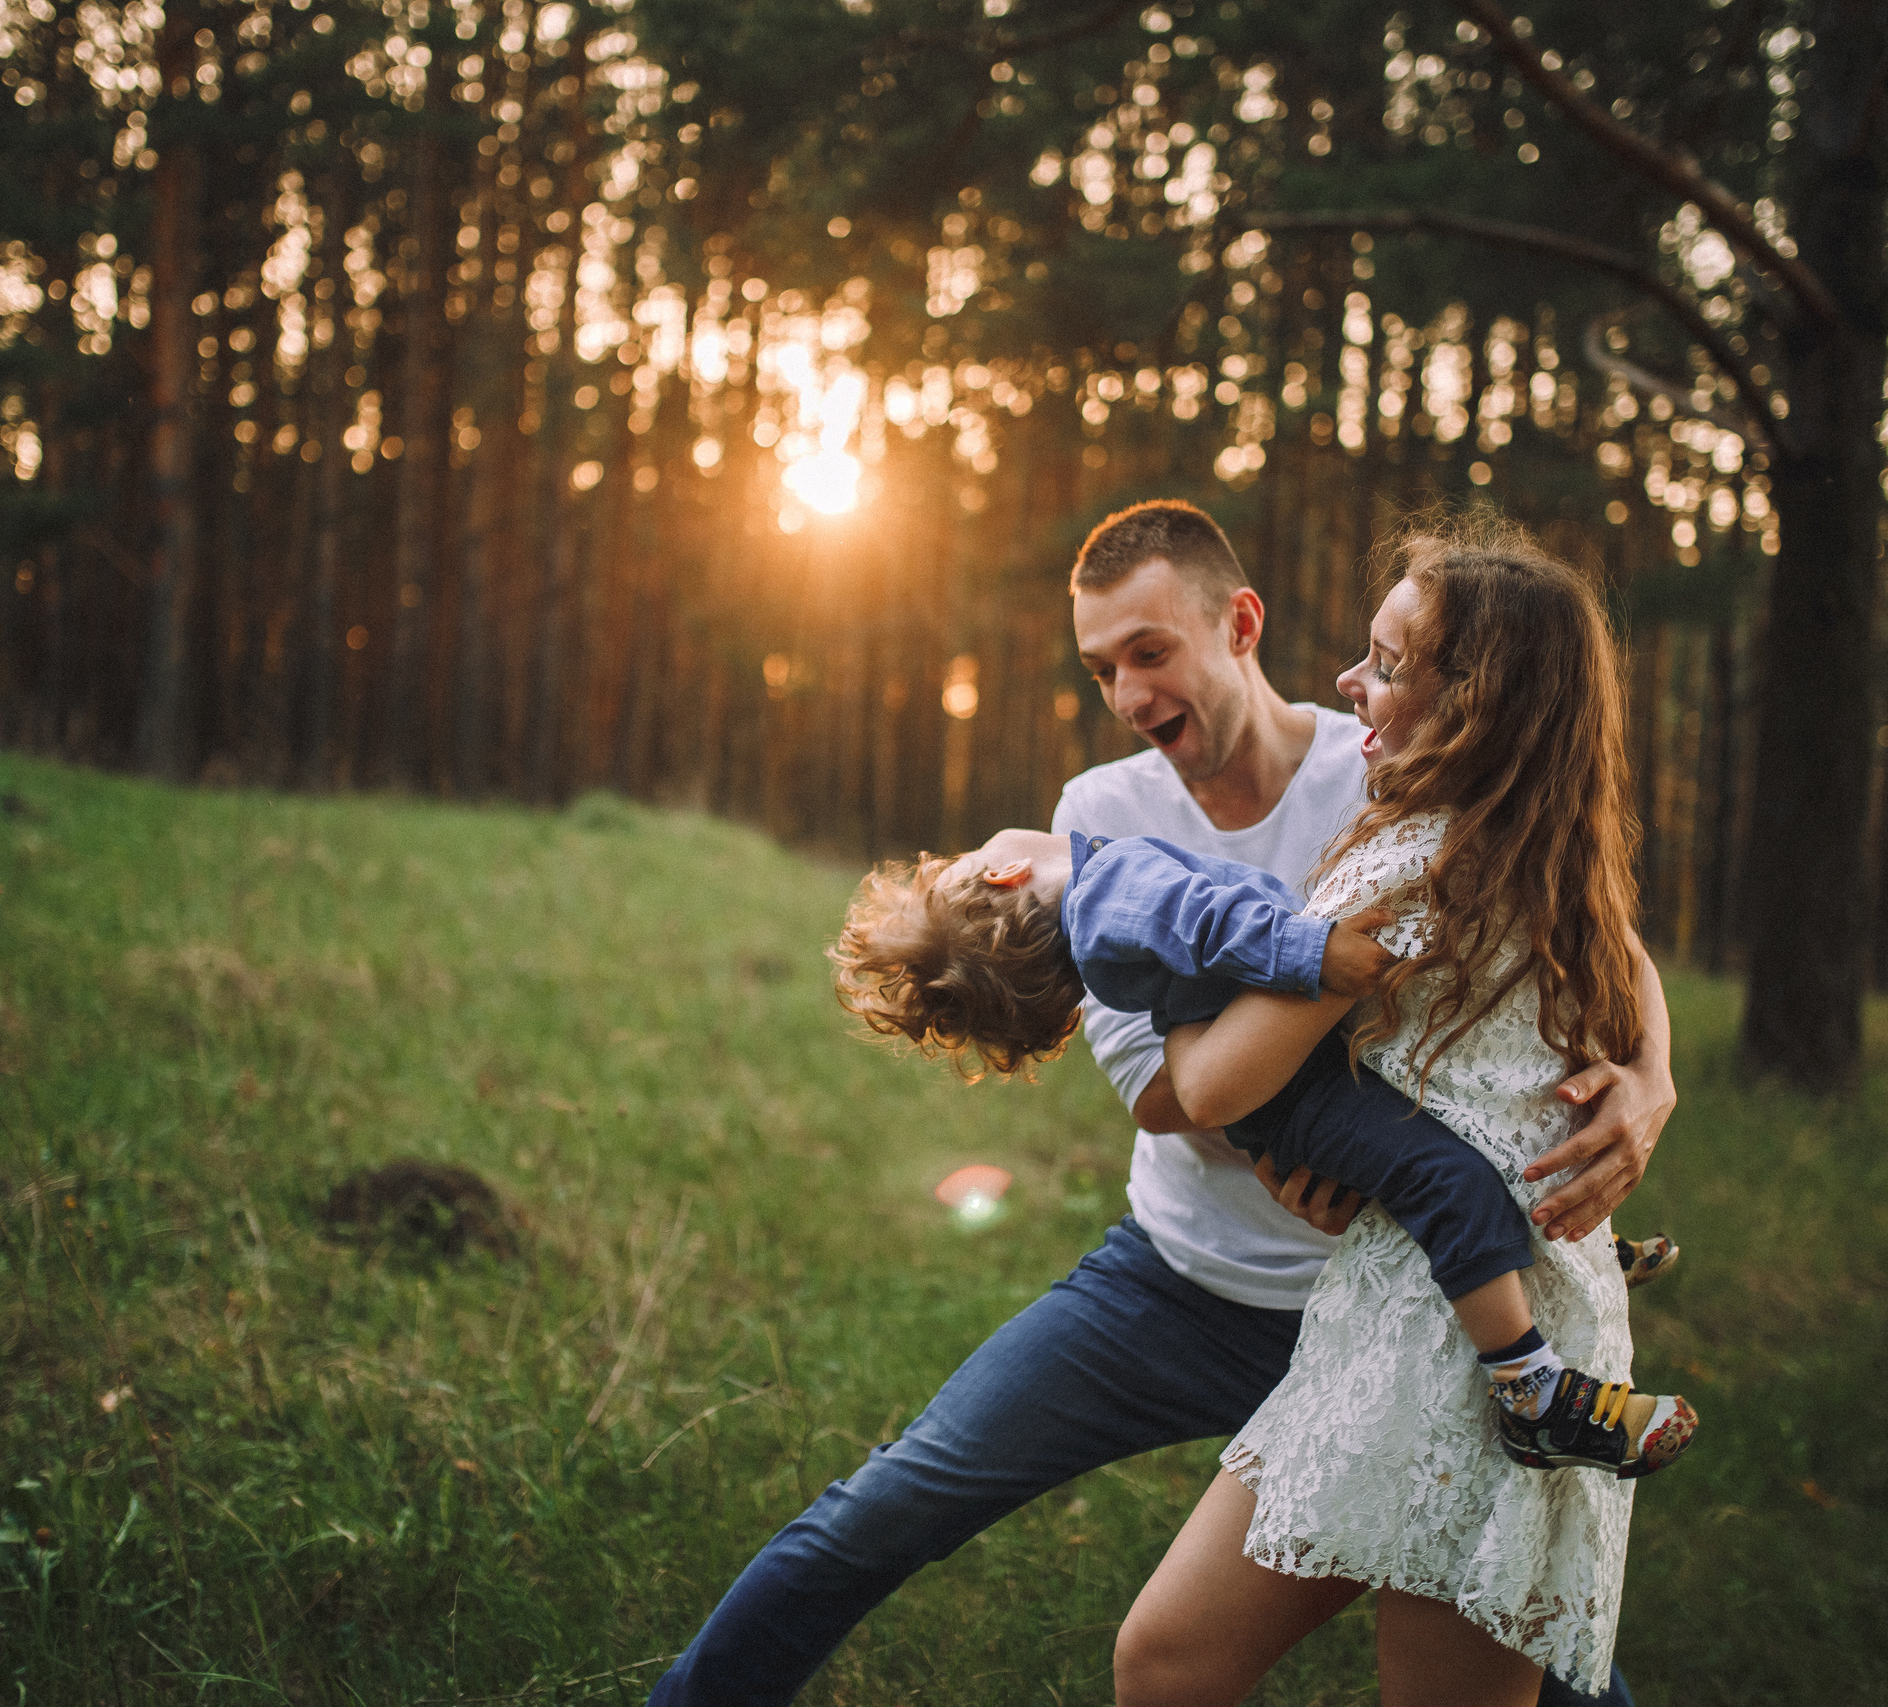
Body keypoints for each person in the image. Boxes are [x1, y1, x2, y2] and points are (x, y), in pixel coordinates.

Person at [642, 501, 1676, 1706]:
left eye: (1148, 652)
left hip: (1406, 1304)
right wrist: (1314, 1136)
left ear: (1238, 624)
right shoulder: (1099, 817)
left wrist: (1649, 1077)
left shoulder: (1387, 757)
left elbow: (1587, 920)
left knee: (1533, 1631)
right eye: (1101, 670)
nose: (1129, 694)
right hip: (1184, 1284)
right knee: (899, 1498)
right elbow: (1166, 1092)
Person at [1114, 517, 1665, 1705]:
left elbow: (1210, 1089)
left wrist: (1163, 977)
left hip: (1449, 1342)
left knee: (1169, 1662)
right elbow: (1624, 967)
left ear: (1472, 704)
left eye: (1387, 662)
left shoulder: (1407, 864)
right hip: (1447, 1312)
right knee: (1170, 1657)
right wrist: (1654, 1069)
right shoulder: (1549, 854)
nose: (1347, 680)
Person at [829, 825, 1697, 1479]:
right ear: (1002, 872)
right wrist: (1317, 953)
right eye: (966, 856)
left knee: (1452, 1140)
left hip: (1290, 1085)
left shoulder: (1096, 912)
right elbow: (1207, 921)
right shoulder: (1106, 894)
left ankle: (1557, 1255)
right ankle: (1533, 1393)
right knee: (1444, 1175)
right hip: (1297, 1093)